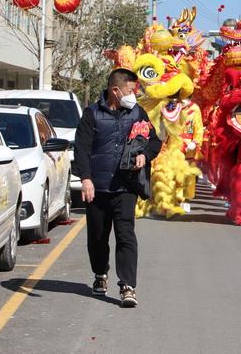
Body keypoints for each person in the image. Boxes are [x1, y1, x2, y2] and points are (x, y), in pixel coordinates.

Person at [73, 68, 162, 307]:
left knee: (126, 235)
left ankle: (127, 286)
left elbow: (154, 142)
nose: (134, 94)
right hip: (98, 188)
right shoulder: (91, 114)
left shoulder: (137, 113)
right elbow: (81, 148)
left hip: (125, 187)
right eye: (131, 90)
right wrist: (86, 179)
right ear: (116, 90)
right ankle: (100, 273)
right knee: (97, 237)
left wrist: (144, 154)